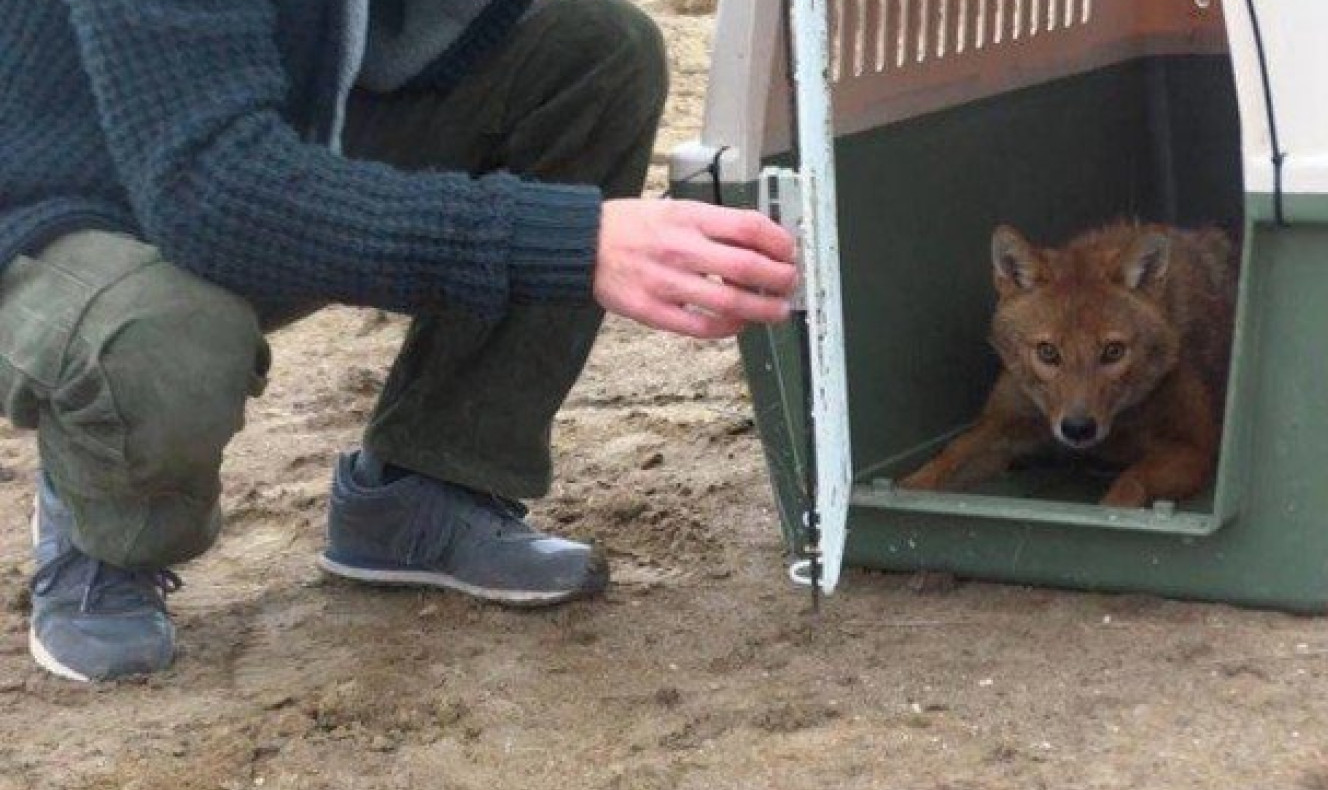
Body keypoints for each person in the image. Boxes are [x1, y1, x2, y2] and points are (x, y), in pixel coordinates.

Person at [0, 0, 797, 683]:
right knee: (166, 338)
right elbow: (214, 195)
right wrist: (572, 239)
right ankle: (106, 527)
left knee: (593, 54)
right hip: (56, 208)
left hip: (235, 137)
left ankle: (429, 487)